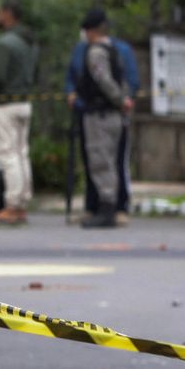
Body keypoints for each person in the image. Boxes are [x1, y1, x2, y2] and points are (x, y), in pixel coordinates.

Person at [66, 24, 140, 222]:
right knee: (95, 159)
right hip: (90, 112)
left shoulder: (106, 50)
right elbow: (74, 77)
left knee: (108, 161)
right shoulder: (83, 49)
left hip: (106, 113)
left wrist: (122, 100)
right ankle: (96, 207)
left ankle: (114, 207)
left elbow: (109, 80)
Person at [0, 0, 38, 225]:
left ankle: (13, 204)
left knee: (7, 153)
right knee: (21, 152)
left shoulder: (6, 43)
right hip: (24, 101)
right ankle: (23, 201)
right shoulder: (28, 42)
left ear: (7, 13)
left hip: (6, 103)